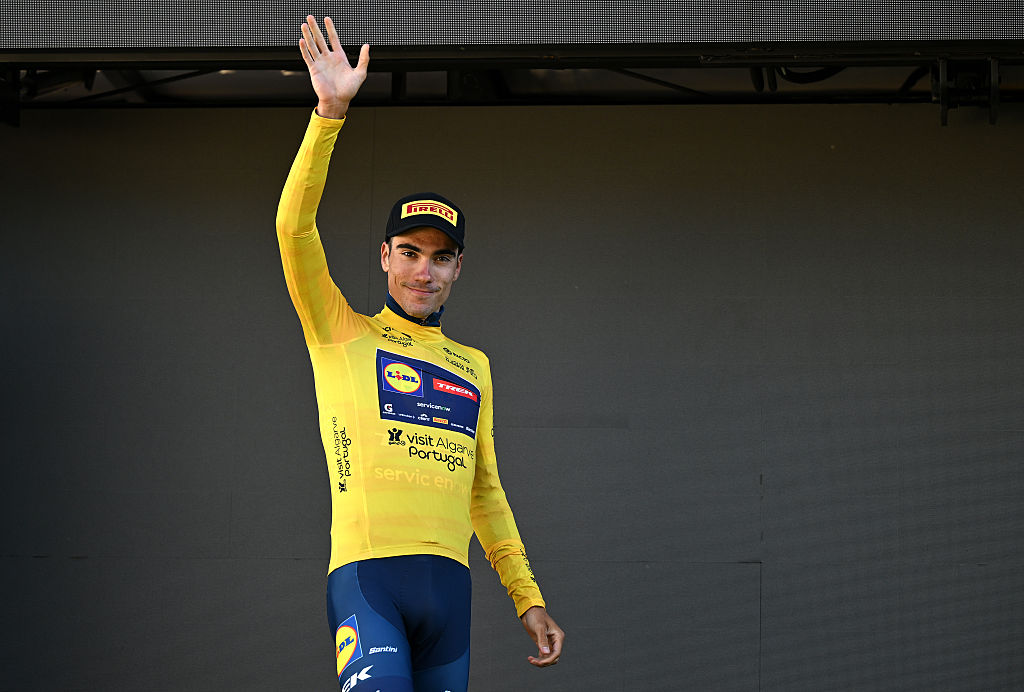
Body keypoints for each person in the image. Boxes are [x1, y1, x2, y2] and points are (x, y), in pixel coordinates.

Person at [276, 15, 564, 692]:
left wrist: (528, 597)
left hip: (450, 595)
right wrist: (328, 115)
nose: (422, 271)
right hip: (367, 580)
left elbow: (485, 493)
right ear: (384, 257)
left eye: (439, 258)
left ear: (458, 268)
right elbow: (293, 229)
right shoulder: (340, 329)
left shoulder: (474, 366)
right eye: (409, 253)